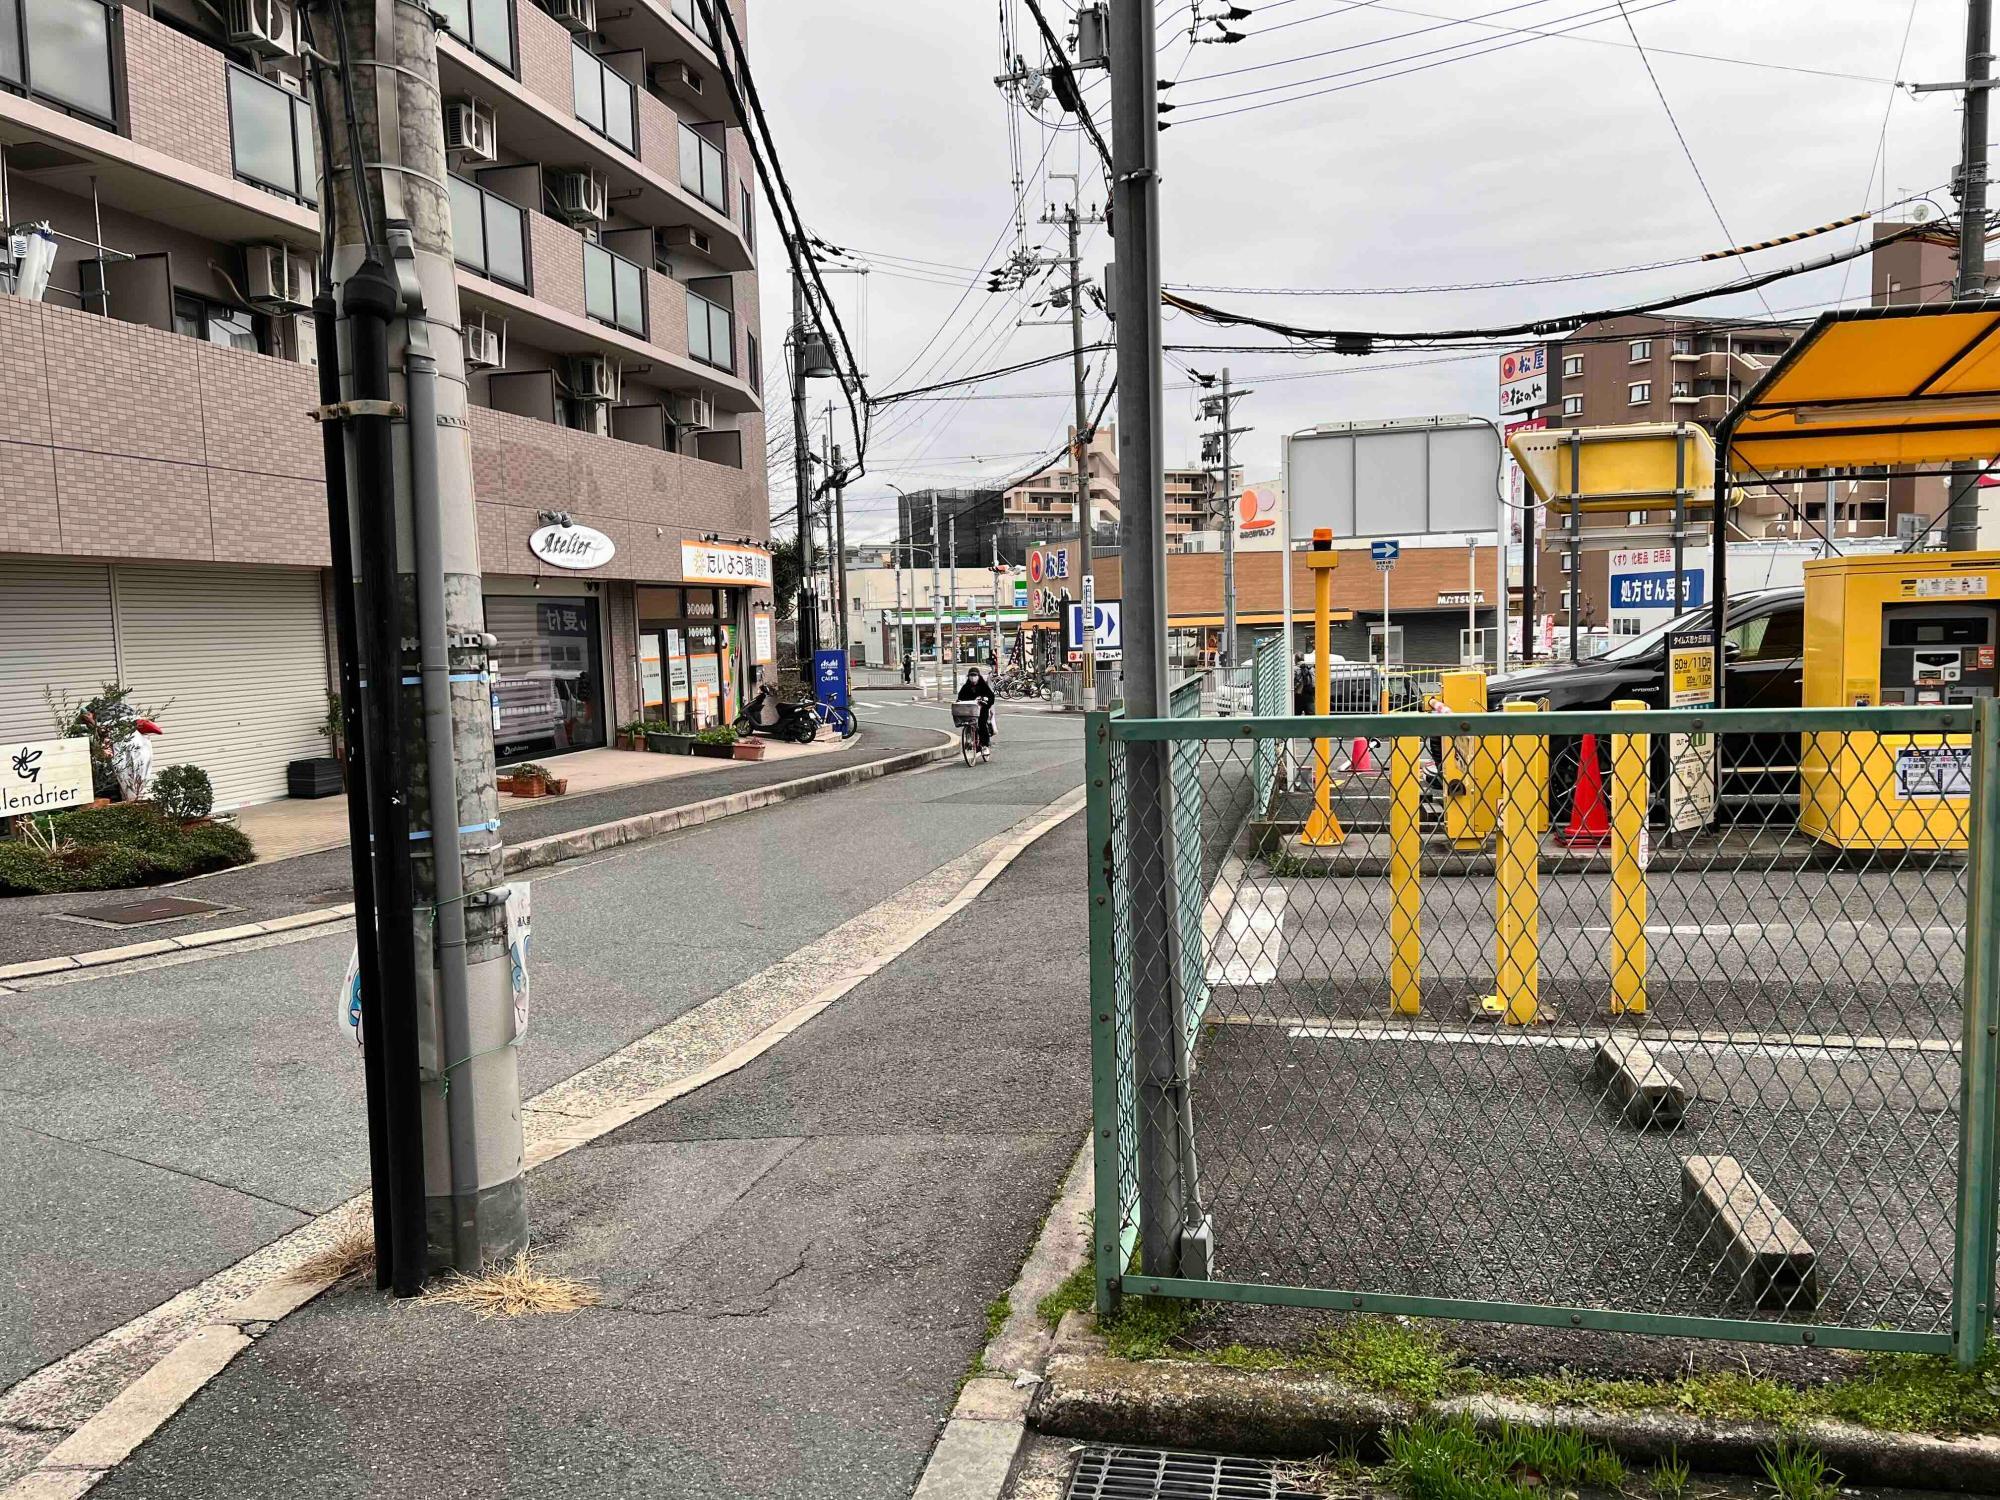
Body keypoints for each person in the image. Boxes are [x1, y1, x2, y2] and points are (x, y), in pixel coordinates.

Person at [958, 665, 996, 749]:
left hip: (982, 709)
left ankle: (985, 745)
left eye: (975, 675)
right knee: (967, 723)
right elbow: (960, 697)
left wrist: (986, 702)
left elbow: (991, 697)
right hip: (970, 710)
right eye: (971, 676)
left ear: (978, 676)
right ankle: (969, 740)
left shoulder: (983, 686)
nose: (973, 677)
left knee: (982, 724)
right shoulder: (966, 687)